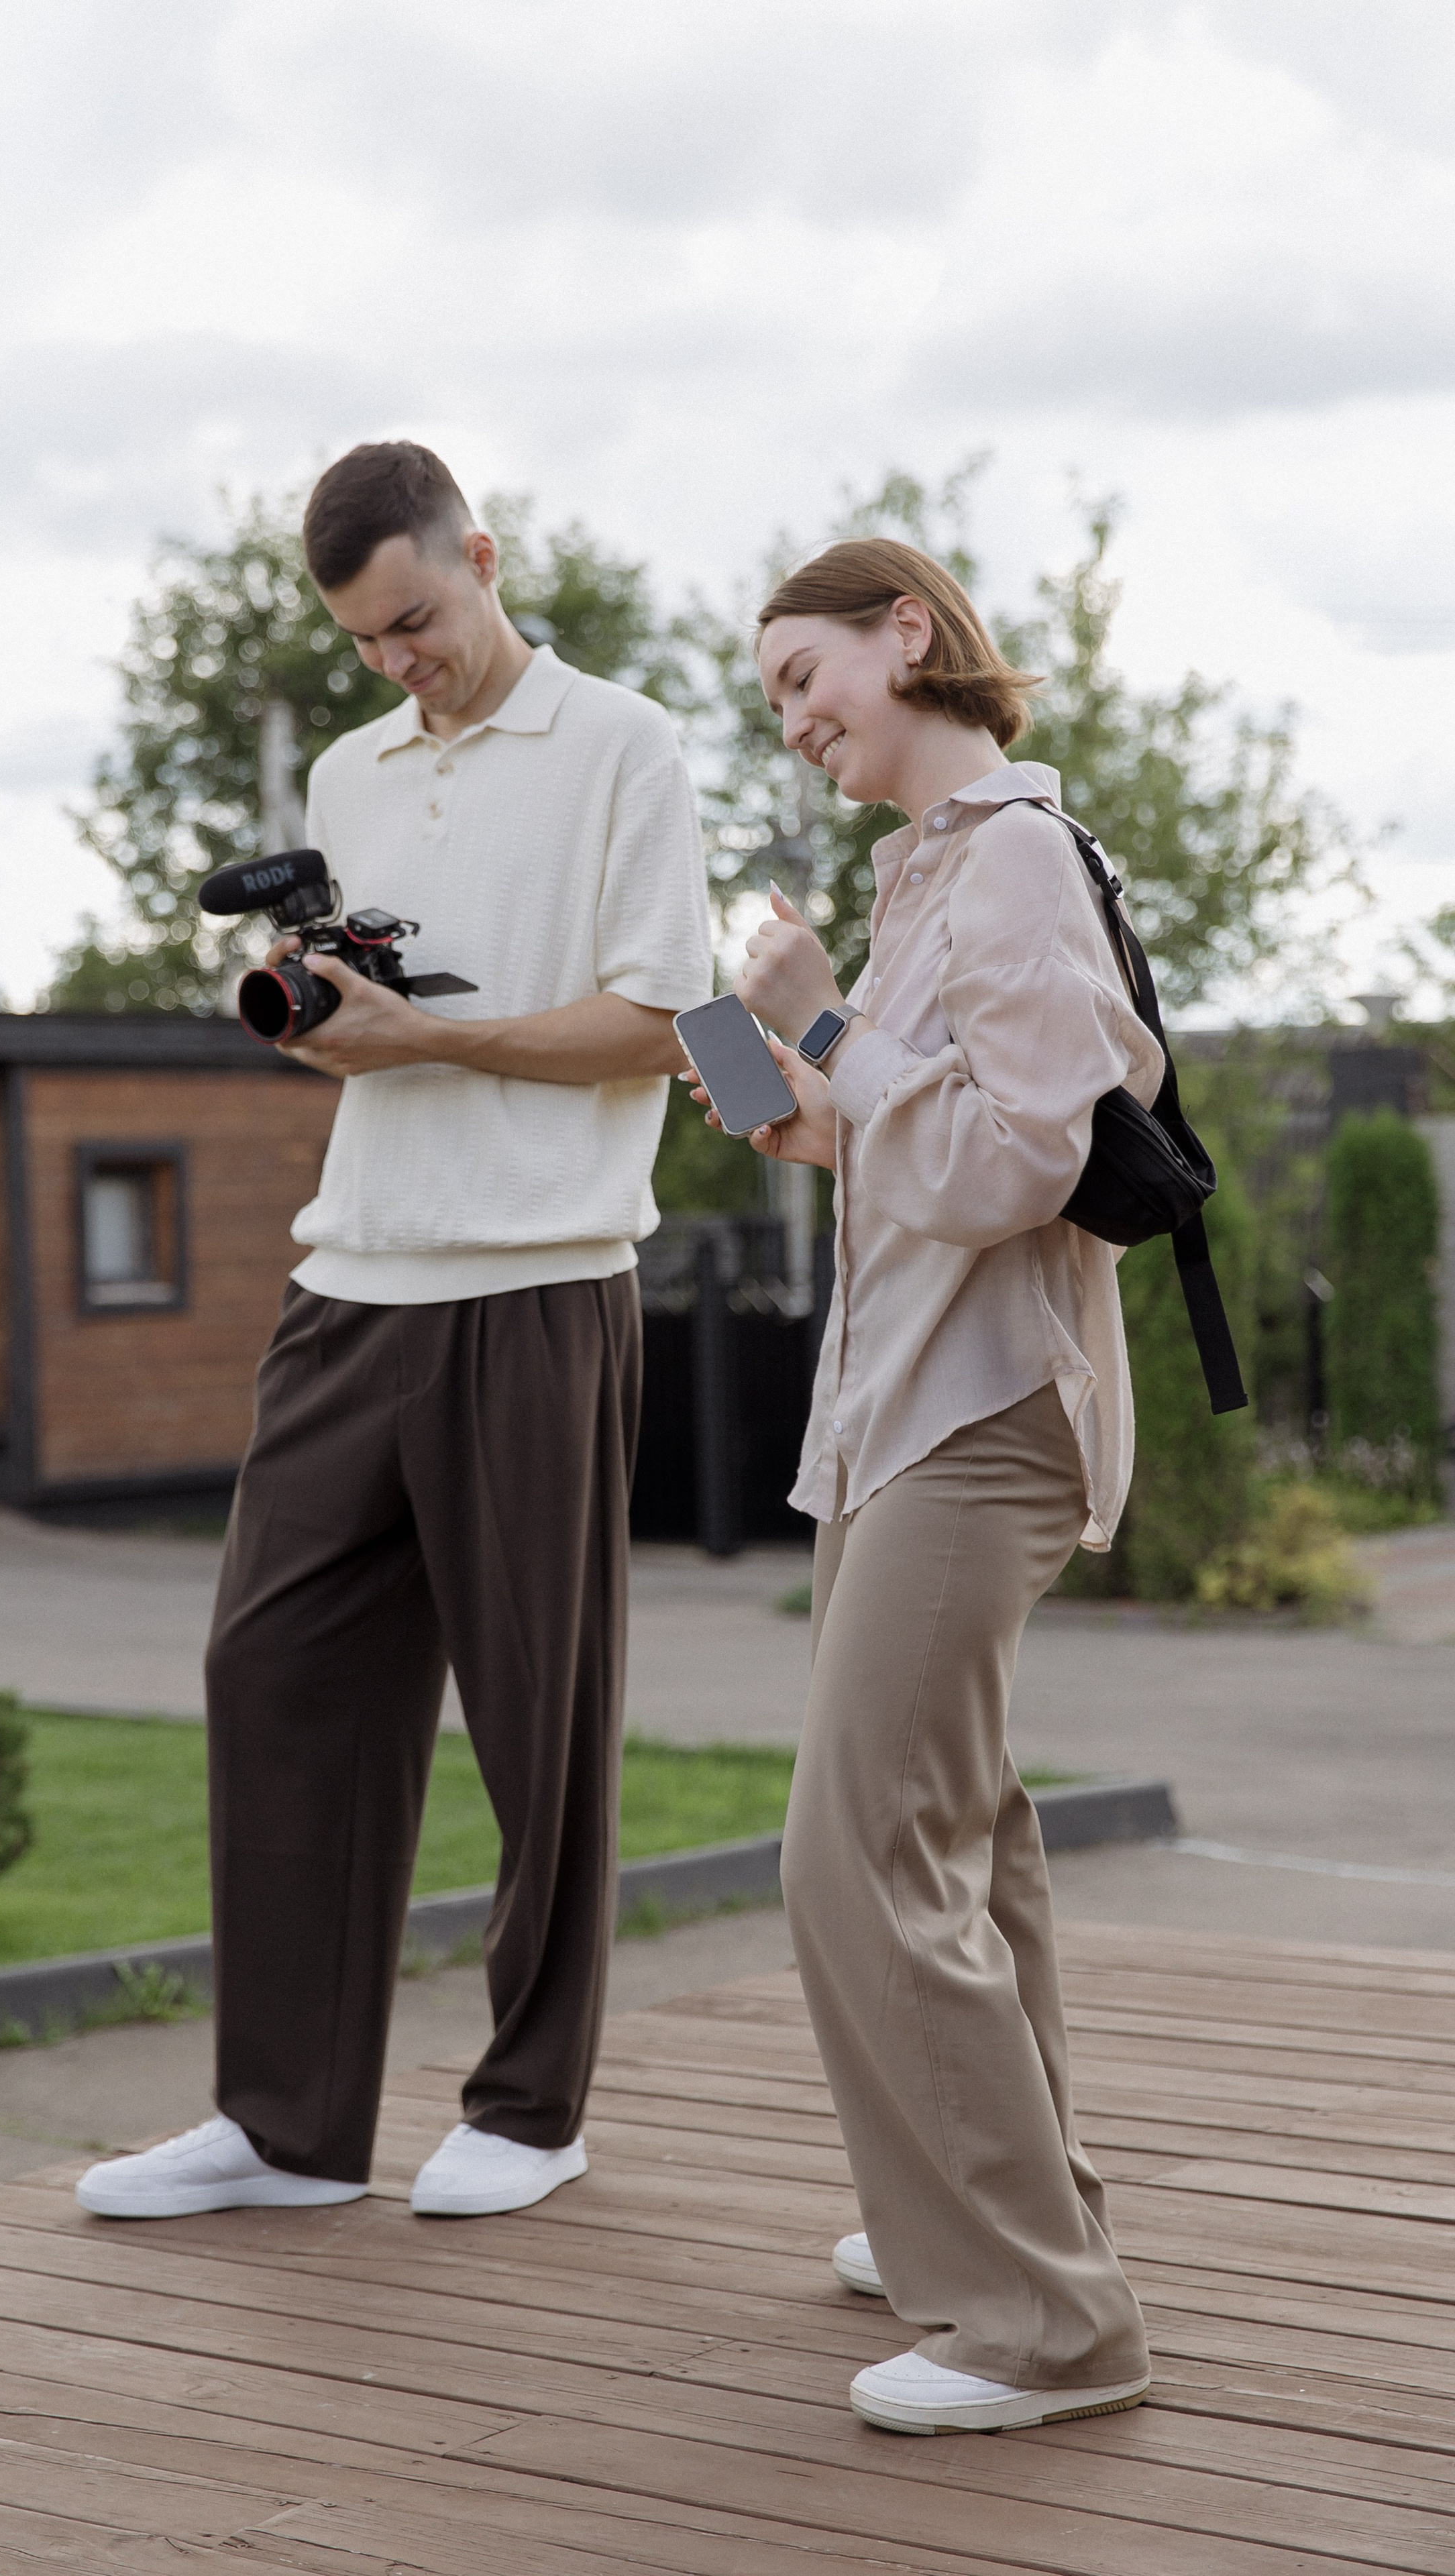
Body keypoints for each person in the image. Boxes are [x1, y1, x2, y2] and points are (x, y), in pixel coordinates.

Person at [78, 442, 712, 2225]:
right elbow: (389, 1001)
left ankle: (531, 2106)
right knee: (269, 1673)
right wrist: (336, 1024)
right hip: (353, 1274)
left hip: (540, 1277)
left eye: (416, 620)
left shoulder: (625, 746)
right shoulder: (351, 771)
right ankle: (285, 2126)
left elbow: (664, 1020)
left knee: (539, 1717)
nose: (396, 662)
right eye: (364, 640)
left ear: (484, 559)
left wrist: (429, 1041)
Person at [688, 535, 1155, 2435]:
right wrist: (768, 1069)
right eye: (775, 699)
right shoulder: (926, 875)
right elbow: (910, 1142)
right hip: (902, 1410)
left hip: (987, 1411)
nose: (796, 721)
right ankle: (989, 2210)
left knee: (855, 1847)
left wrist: (823, 1022)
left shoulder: (1019, 854)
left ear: (911, 633)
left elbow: (1025, 1162)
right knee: (962, 1831)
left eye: (811, 675)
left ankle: (1046, 2322)